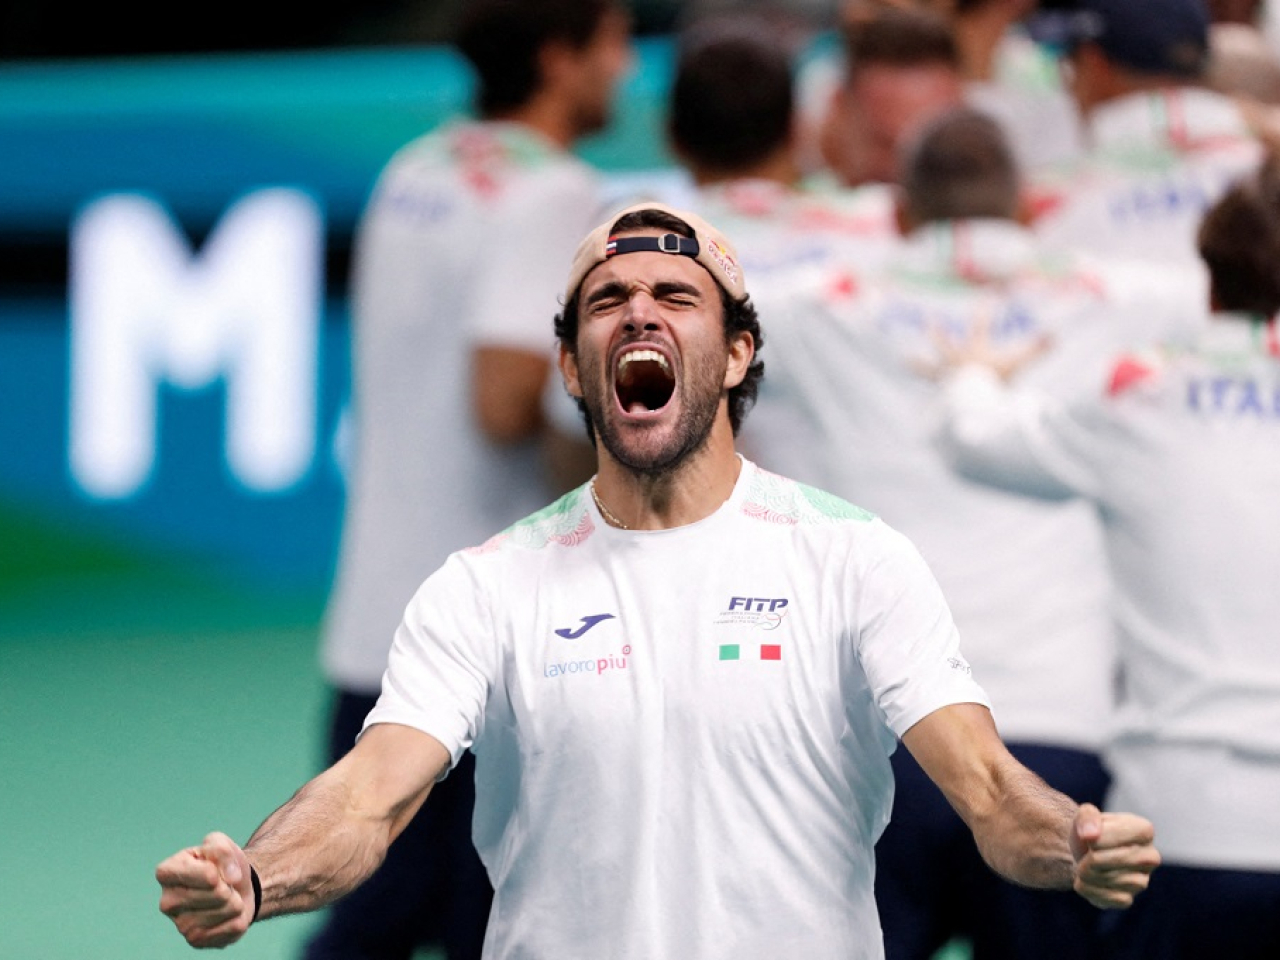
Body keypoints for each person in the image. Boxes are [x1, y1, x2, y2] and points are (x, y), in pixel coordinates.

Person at [157, 201, 1160, 960]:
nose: (639, 309)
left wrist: (1069, 843)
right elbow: (367, 799)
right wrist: (257, 874)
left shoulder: (853, 559)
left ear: (733, 354)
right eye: (607, 299)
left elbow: (984, 787)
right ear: (570, 364)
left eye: (675, 296)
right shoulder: (484, 587)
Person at [738, 106, 1190, 960]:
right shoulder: (1127, 299)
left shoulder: (820, 303)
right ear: (1024, 211)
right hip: (1058, 734)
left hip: (875, 735)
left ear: (900, 216)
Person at [306, 2, 632, 958]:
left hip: (374, 623)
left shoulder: (417, 168)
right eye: (609, 44)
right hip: (481, 648)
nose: (623, 66)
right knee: (467, 919)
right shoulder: (558, 195)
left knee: (392, 906)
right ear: (556, 58)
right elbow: (503, 406)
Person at [932, 153, 1280, 960]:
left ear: (1214, 288)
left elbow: (976, 438)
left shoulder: (1144, 399)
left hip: (1188, 831)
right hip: (1181, 827)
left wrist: (975, 376)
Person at [1029, 0, 1263, 267]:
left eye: (1069, 60)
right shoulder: (1266, 170)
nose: (1069, 83)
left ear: (1094, 63)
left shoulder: (1045, 202)